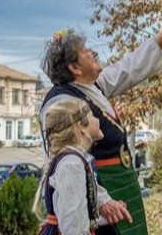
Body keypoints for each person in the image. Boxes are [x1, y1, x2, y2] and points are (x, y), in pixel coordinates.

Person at [40, 0, 162, 235]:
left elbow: (128, 68)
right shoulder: (60, 102)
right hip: (103, 191)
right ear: (74, 68)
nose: (94, 52)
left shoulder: (93, 85)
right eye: (86, 51)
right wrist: (101, 200)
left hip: (122, 186)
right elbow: (64, 160)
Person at [33, 99, 110, 235]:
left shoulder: (74, 160)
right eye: (92, 115)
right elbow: (73, 225)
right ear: (80, 126)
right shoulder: (71, 165)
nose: (98, 120)